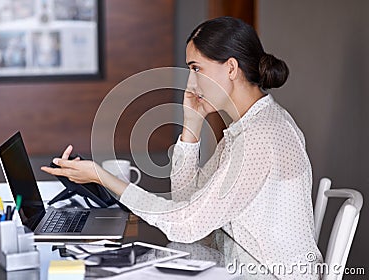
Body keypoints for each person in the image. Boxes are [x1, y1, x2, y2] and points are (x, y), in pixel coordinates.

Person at [42, 17, 322, 279]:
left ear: (231, 68)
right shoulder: (248, 128)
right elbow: (188, 200)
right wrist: (191, 126)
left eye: (196, 69)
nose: (190, 83)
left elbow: (188, 225)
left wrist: (102, 177)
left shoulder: (259, 136)